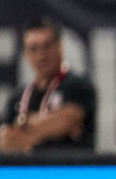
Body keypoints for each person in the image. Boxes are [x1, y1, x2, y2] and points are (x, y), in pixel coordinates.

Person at [0, 17, 96, 154]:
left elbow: (67, 121)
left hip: (70, 171)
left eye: (47, 46)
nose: (41, 55)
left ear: (59, 47)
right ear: (25, 54)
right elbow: (4, 139)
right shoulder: (17, 96)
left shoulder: (79, 85)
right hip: (26, 173)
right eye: (33, 49)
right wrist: (47, 128)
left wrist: (22, 128)